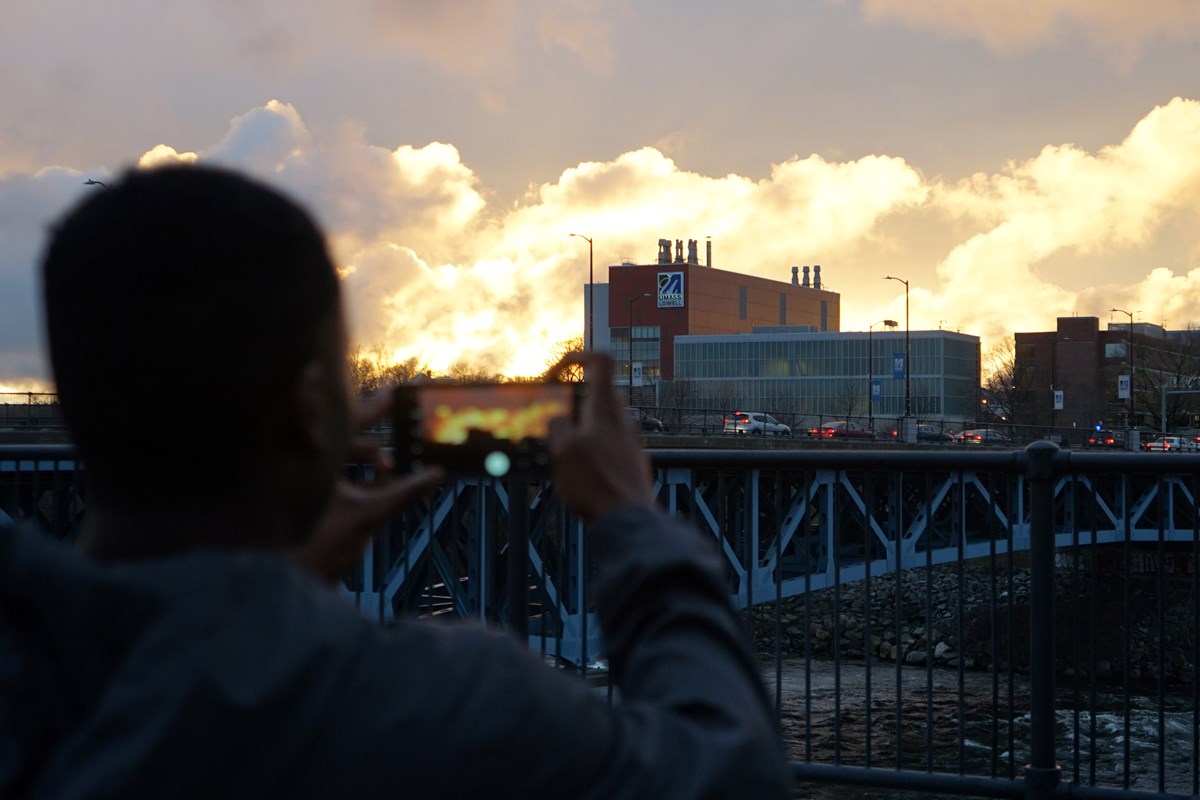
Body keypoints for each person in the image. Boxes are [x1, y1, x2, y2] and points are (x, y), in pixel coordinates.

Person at [0, 165, 790, 798]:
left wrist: (267, 583)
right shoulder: (445, 703)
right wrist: (631, 519)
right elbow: (732, 769)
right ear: (312, 411)